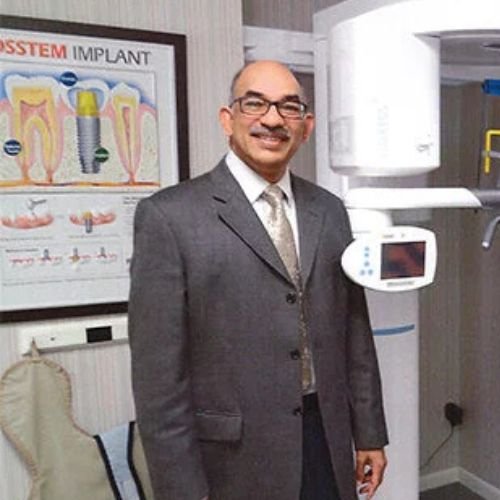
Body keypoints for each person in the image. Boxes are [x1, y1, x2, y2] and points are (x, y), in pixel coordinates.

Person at [129, 60, 388, 500]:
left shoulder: (328, 211)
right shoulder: (169, 217)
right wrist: (181, 490)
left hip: (324, 437)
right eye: (255, 103)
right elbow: (158, 381)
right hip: (232, 458)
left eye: (289, 107)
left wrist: (369, 432)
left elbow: (354, 331)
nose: (272, 119)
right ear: (227, 119)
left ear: (306, 127)